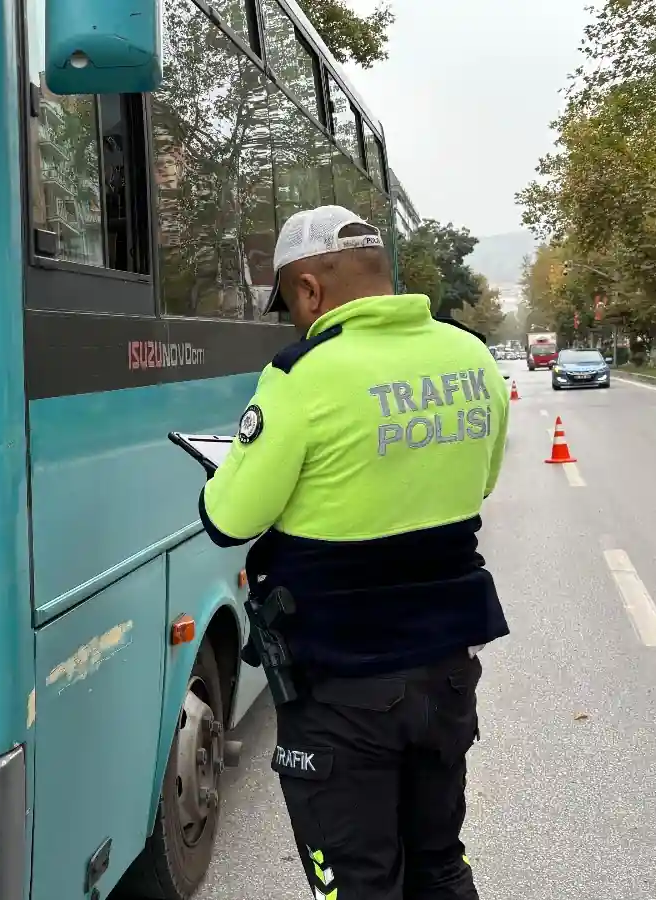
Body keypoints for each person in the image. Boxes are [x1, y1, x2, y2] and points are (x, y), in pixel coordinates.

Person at [197, 205, 510, 900]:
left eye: (290, 305)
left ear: (310, 290)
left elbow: (229, 518)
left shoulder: (302, 377)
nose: (293, 321)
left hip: (343, 689)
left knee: (359, 885)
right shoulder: (471, 357)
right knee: (440, 867)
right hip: (446, 678)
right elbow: (479, 483)